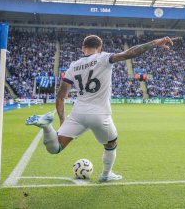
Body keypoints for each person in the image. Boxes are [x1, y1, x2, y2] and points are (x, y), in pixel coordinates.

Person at [26, 35, 175, 182]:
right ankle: (106, 174)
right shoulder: (103, 57)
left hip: (78, 113)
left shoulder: (73, 66)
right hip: (99, 114)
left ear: (83, 48)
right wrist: (154, 42)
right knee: (111, 144)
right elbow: (130, 53)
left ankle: (46, 127)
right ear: (99, 48)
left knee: (55, 148)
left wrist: (62, 119)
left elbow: (60, 96)